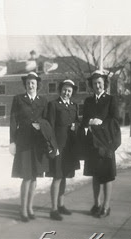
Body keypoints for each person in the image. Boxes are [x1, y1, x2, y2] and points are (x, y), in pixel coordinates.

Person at [9, 72, 56, 222]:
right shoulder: (18, 100)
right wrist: (12, 141)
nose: (30, 85)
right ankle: (23, 210)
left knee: (34, 176)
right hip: (23, 142)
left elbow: (47, 122)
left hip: (38, 143)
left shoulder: (43, 100)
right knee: (26, 176)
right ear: (25, 85)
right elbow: (13, 121)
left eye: (33, 83)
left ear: (37, 85)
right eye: (28, 83)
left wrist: (40, 125)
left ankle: (30, 207)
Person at [81, 70, 121, 218]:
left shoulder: (111, 100)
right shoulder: (88, 101)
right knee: (96, 175)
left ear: (104, 84)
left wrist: (101, 123)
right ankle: (96, 204)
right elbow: (84, 119)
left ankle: (106, 206)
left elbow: (116, 120)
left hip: (106, 142)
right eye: (94, 83)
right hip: (92, 143)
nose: (97, 85)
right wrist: (89, 122)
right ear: (91, 85)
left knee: (107, 176)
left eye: (99, 83)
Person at [46, 79, 80, 221]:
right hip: (58, 147)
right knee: (57, 176)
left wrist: (75, 126)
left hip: (69, 147)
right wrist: (53, 147)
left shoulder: (74, 106)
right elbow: (50, 127)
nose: (67, 93)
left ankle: (61, 205)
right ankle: (53, 209)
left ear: (72, 93)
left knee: (64, 175)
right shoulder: (53, 105)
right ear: (61, 90)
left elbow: (77, 122)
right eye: (65, 90)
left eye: (69, 91)